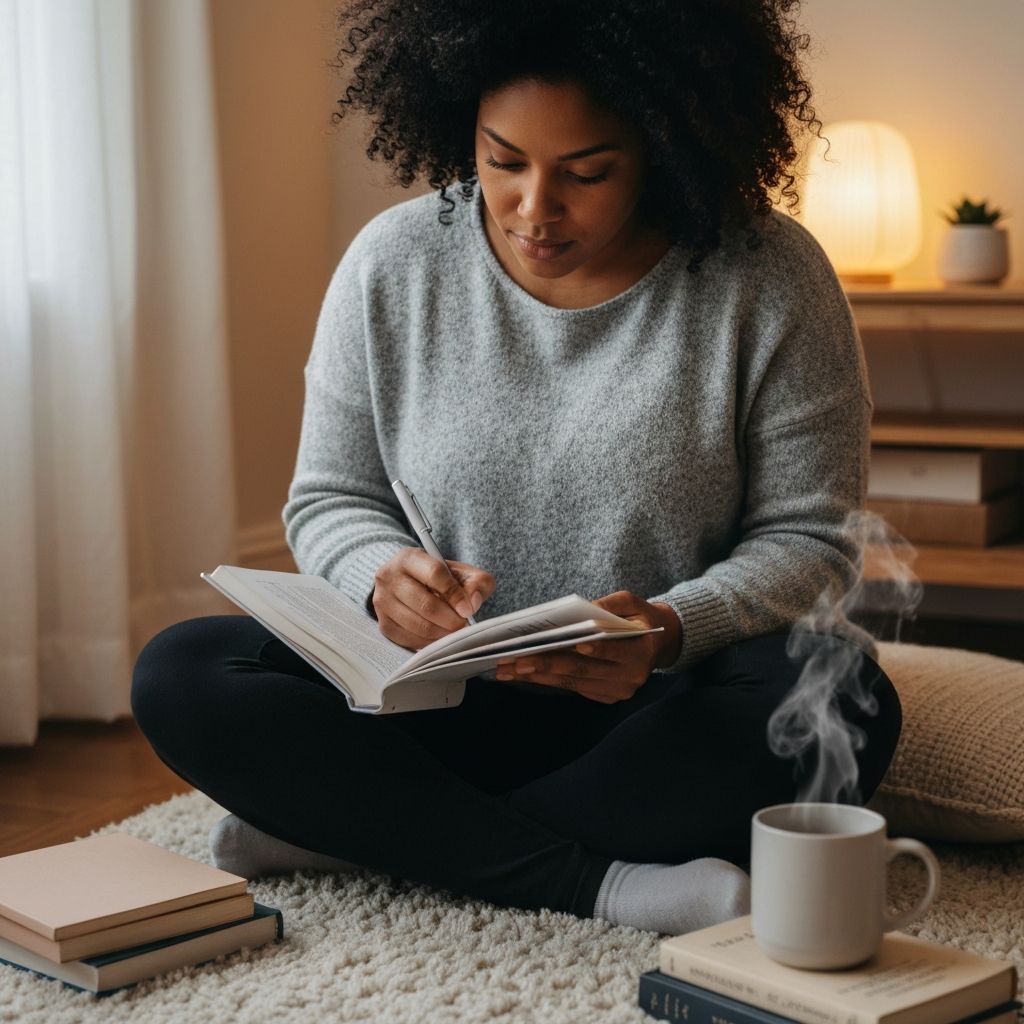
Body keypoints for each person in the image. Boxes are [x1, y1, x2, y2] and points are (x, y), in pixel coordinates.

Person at [131, 0, 903, 937]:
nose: (536, 208)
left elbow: (812, 540)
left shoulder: (770, 276)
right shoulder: (394, 263)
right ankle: (595, 881)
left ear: (666, 142)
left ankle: (359, 830)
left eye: (587, 172)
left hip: (650, 711)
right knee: (182, 670)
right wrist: (381, 579)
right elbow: (332, 498)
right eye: (503, 161)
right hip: (430, 701)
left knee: (845, 696)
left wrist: (667, 629)